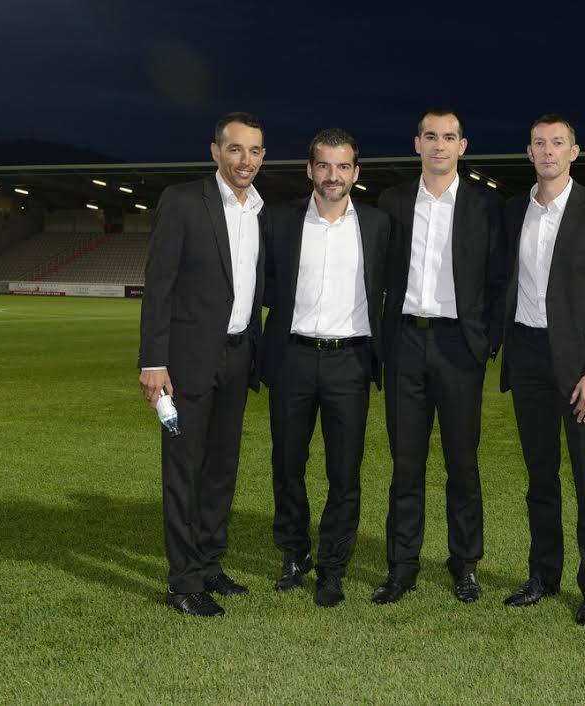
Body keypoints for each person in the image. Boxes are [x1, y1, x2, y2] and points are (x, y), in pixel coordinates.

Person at [500, 114, 585, 626]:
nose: (548, 151)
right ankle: (542, 575)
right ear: (529, 152)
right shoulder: (514, 209)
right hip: (527, 358)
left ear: (574, 152)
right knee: (540, 478)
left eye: (558, 143)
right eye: (539, 143)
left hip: (580, 367)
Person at [372, 108, 505, 605]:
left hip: (458, 348)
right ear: (417, 143)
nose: (439, 145)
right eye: (431, 136)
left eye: (449, 137)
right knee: (405, 464)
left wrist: (485, 342)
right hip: (405, 343)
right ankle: (402, 566)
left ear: (462, 146)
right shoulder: (392, 201)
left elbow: (500, 280)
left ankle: (465, 564)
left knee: (462, 464)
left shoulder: (485, 205)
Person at [138, 112, 266, 618]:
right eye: (235, 149)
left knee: (221, 470)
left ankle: (210, 565)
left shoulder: (259, 210)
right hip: (186, 362)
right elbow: (159, 286)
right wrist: (153, 361)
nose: (245, 160)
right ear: (215, 151)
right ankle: (184, 582)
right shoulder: (184, 201)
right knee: (184, 470)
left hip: (238, 356)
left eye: (254, 151)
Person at [260, 129, 389, 607]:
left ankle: (333, 568)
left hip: (350, 361)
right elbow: (262, 282)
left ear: (356, 172)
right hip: (291, 357)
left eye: (342, 167)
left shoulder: (378, 224)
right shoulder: (280, 220)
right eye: (324, 166)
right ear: (309, 169)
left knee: (344, 472)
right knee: (287, 464)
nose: (333, 176)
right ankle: (294, 554)